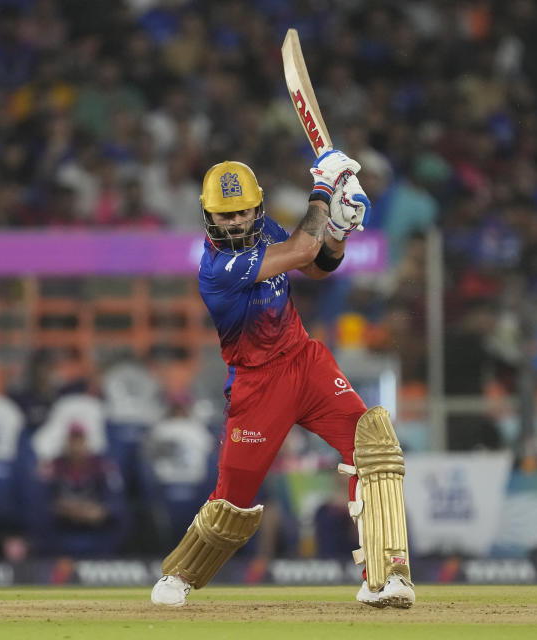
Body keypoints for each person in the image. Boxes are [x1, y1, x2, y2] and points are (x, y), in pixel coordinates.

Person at [149, 151, 415, 608]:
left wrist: (339, 230)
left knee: (374, 443)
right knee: (232, 500)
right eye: (224, 215)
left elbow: (318, 265)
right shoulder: (216, 268)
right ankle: (180, 575)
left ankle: (388, 577)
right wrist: (323, 192)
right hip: (257, 384)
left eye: (242, 212)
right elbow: (301, 250)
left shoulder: (269, 231)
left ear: (257, 208)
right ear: (208, 215)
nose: (234, 222)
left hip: (305, 361)